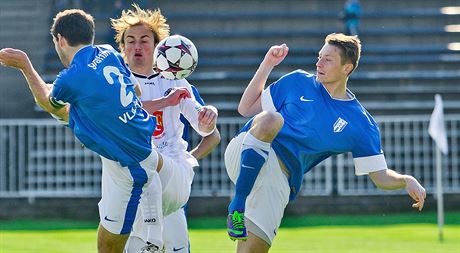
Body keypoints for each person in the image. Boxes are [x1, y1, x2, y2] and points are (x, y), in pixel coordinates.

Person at [0, 9, 188, 253]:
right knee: (106, 243)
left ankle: (153, 236)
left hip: (128, 165)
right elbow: (137, 93)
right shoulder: (108, 52)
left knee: (114, 246)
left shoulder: (71, 78)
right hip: (137, 147)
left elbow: (48, 102)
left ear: (60, 40)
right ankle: (154, 230)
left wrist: (25, 65)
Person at [225, 33, 426, 252]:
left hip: (279, 179)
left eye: (327, 59)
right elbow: (246, 109)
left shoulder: (360, 123)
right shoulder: (298, 80)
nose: (318, 63)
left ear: (347, 68)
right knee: (271, 119)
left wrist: (405, 180)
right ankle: (237, 205)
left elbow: (380, 176)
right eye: (319, 56)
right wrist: (268, 64)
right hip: (246, 149)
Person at [110, 5, 219, 253]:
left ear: (159, 47)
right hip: (130, 174)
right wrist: (164, 102)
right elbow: (123, 113)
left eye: (144, 40)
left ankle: (156, 240)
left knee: (172, 243)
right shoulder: (118, 80)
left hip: (169, 168)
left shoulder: (176, 80)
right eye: (131, 41)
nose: (137, 47)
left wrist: (208, 116)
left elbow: (209, 133)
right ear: (123, 47)